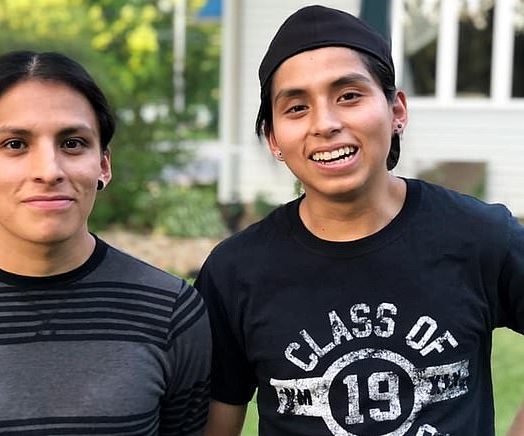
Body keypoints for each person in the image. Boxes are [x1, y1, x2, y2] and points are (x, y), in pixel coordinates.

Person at [194, 5, 524, 436]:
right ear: (274, 139)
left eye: (349, 95)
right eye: (296, 107)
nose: (325, 124)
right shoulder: (234, 272)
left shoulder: (480, 237)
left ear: (397, 111)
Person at [0, 51, 211, 435]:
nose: (49, 171)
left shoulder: (171, 313)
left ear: (103, 165)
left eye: (73, 143)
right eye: (15, 144)